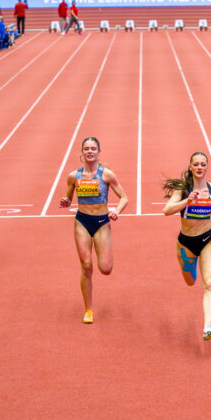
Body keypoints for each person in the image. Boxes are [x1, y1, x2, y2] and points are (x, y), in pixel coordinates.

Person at [163, 152, 211, 340]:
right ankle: (190, 265)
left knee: (209, 284)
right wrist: (186, 201)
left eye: (203, 164)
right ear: (190, 167)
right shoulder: (183, 190)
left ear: (207, 167)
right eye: (196, 164)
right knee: (190, 282)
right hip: (186, 244)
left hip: (207, 241)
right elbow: (167, 210)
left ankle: (207, 327)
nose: (199, 167)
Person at [58, 137, 128, 324]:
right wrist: (65, 201)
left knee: (106, 269)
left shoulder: (107, 175)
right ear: (82, 152)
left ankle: (103, 258)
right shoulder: (74, 176)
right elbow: (68, 199)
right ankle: (88, 309)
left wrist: (117, 211)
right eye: (87, 149)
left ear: (99, 152)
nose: (90, 151)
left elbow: (124, 197)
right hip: (82, 222)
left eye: (93, 148)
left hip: (102, 223)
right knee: (86, 266)